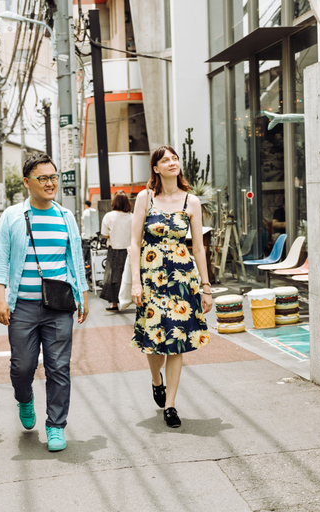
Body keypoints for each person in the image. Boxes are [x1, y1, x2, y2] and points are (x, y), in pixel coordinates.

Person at [0, 153, 89, 452]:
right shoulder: (11, 216)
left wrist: (82, 293)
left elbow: (75, 257)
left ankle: (56, 425)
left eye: (53, 177)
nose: (50, 183)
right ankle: (24, 398)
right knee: (22, 367)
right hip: (21, 306)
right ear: (27, 182)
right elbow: (0, 258)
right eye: (43, 178)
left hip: (58, 306)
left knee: (59, 367)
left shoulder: (65, 216)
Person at [130, 145, 213, 428]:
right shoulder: (145, 198)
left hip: (182, 278)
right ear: (155, 168)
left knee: (176, 340)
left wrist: (206, 286)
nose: (172, 162)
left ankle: (171, 405)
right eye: (165, 160)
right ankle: (156, 380)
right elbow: (134, 243)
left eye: (174, 158)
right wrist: (135, 282)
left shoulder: (192, 202)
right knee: (154, 343)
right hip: (150, 277)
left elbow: (199, 249)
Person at [99, 192, 133, 311]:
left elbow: (105, 235)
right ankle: (132, 301)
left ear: (114, 202)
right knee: (129, 276)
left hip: (114, 251)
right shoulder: (132, 216)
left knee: (113, 278)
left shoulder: (109, 216)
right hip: (130, 251)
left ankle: (114, 304)